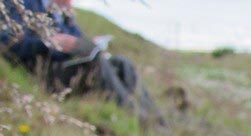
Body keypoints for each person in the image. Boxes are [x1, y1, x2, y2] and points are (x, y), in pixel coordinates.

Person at [1, 0, 163, 123]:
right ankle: (138, 117)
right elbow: (6, 42)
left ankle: (157, 119)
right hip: (43, 71)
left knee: (121, 62)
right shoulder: (20, 4)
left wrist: (86, 40)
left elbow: (77, 39)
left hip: (67, 64)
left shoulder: (61, 12)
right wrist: (47, 43)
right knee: (97, 64)